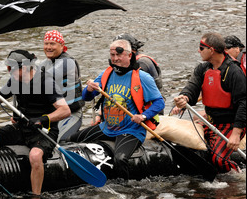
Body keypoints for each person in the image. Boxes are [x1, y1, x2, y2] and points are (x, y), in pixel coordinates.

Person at [67, 39, 165, 179]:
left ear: (129, 55)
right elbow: (86, 97)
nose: (115, 58)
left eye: (119, 55)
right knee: (70, 140)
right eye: (112, 55)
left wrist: (143, 116)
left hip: (131, 130)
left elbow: (159, 102)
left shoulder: (142, 77)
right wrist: (89, 89)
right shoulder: (106, 74)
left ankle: (125, 191)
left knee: (120, 159)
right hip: (107, 127)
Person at [0, 50, 71, 196]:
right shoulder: (14, 80)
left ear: (26, 67)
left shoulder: (46, 81)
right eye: (7, 68)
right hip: (21, 127)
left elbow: (65, 110)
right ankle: (0, 179)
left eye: (11, 68)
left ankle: (36, 198)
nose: (8, 71)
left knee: (35, 156)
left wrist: (43, 119)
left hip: (43, 130)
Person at [174, 33, 246, 173]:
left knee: (219, 159)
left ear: (211, 50)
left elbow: (244, 103)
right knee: (187, 146)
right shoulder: (203, 69)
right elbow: (192, 87)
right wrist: (184, 97)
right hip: (210, 120)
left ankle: (237, 180)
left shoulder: (233, 71)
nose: (198, 51)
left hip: (231, 123)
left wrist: (236, 134)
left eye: (201, 48)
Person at [92, 33, 164, 125]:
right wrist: (100, 114)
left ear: (130, 51)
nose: (115, 58)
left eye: (119, 53)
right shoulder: (122, 65)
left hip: (149, 112)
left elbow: (127, 95)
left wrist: (100, 115)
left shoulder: (141, 64)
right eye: (113, 54)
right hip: (129, 107)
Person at [39, 30, 84, 142]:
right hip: (54, 114)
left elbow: (47, 77)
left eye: (52, 44)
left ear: (62, 46)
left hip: (71, 114)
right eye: (46, 44)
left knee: (59, 142)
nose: (48, 47)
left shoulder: (67, 62)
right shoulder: (45, 63)